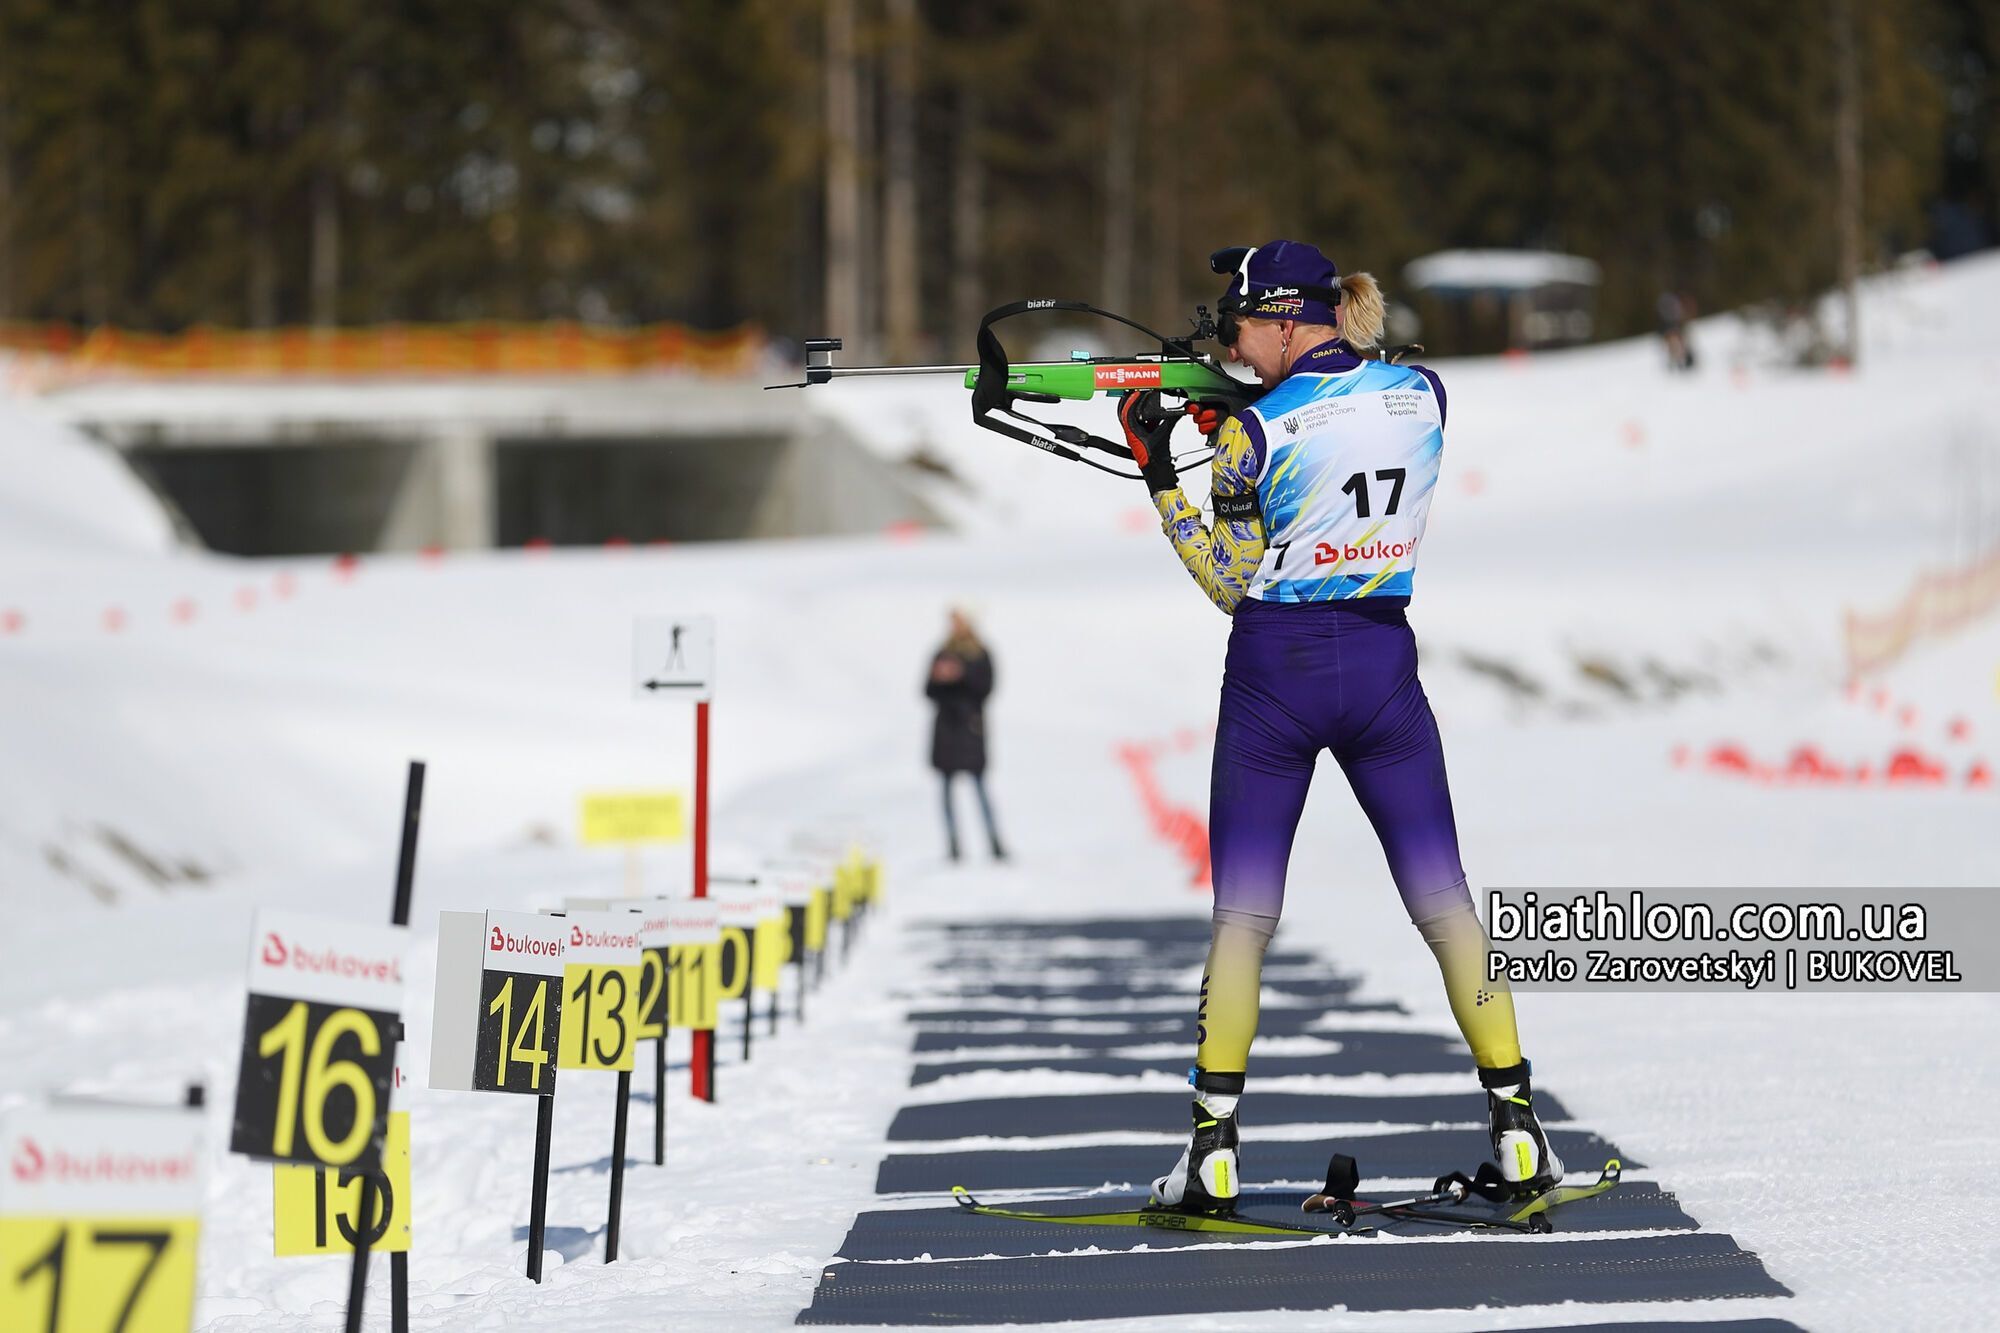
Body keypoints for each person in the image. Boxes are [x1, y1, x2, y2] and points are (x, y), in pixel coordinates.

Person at [1115, 240, 1563, 1213]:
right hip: (1379, 664)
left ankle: (1213, 1149)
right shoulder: (1424, 394)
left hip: (1277, 669)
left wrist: (1160, 473)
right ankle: (1519, 1126)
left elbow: (1229, 578)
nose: (1229, 346)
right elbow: (1346, 400)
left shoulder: (1252, 428)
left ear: (1280, 317)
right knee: (1443, 900)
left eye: (1237, 327)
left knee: (1243, 914)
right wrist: (1231, 413)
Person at [925, 609, 1007, 863]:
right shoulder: (941, 652)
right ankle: (953, 846)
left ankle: (994, 843)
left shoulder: (980, 653)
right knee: (947, 794)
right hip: (946, 733)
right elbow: (927, 690)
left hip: (971, 731)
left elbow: (986, 688)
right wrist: (941, 678)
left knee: (980, 790)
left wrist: (960, 675)